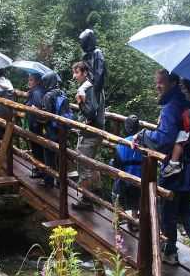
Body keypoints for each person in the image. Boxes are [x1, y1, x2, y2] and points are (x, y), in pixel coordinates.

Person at [134, 69, 190, 265]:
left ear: (172, 83)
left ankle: (169, 251)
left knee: (167, 209)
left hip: (175, 168)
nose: (157, 86)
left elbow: (163, 140)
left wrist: (143, 136)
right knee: (184, 206)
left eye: (160, 82)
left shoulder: (172, 106)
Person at [71, 61, 105, 210]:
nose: (74, 76)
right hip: (96, 130)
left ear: (85, 73)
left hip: (90, 133)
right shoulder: (94, 86)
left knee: (84, 165)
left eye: (77, 72)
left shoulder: (88, 88)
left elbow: (90, 112)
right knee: (92, 163)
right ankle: (96, 195)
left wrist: (80, 103)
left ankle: (86, 200)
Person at [110, 115, 142, 232]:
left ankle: (118, 218)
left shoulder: (121, 144)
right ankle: (133, 221)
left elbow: (116, 164)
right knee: (135, 201)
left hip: (124, 180)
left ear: (126, 127)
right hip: (138, 181)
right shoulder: (143, 143)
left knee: (116, 195)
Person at [39, 71, 66, 188]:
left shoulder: (47, 96)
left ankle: (49, 181)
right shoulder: (61, 92)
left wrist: (37, 112)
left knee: (49, 155)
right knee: (60, 155)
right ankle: (61, 182)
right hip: (62, 129)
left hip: (50, 129)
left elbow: (46, 117)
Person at [25, 73, 46, 178]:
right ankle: (40, 168)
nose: (29, 82)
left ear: (37, 81)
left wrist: (31, 105)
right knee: (37, 146)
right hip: (37, 123)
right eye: (29, 80)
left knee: (37, 146)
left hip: (36, 123)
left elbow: (37, 107)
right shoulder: (37, 90)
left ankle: (40, 170)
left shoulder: (37, 92)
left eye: (31, 80)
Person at [78, 29, 106, 106]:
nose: (81, 43)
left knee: (95, 113)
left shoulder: (97, 53)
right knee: (86, 111)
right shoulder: (86, 56)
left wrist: (95, 91)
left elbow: (99, 73)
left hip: (95, 88)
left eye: (83, 41)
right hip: (87, 86)